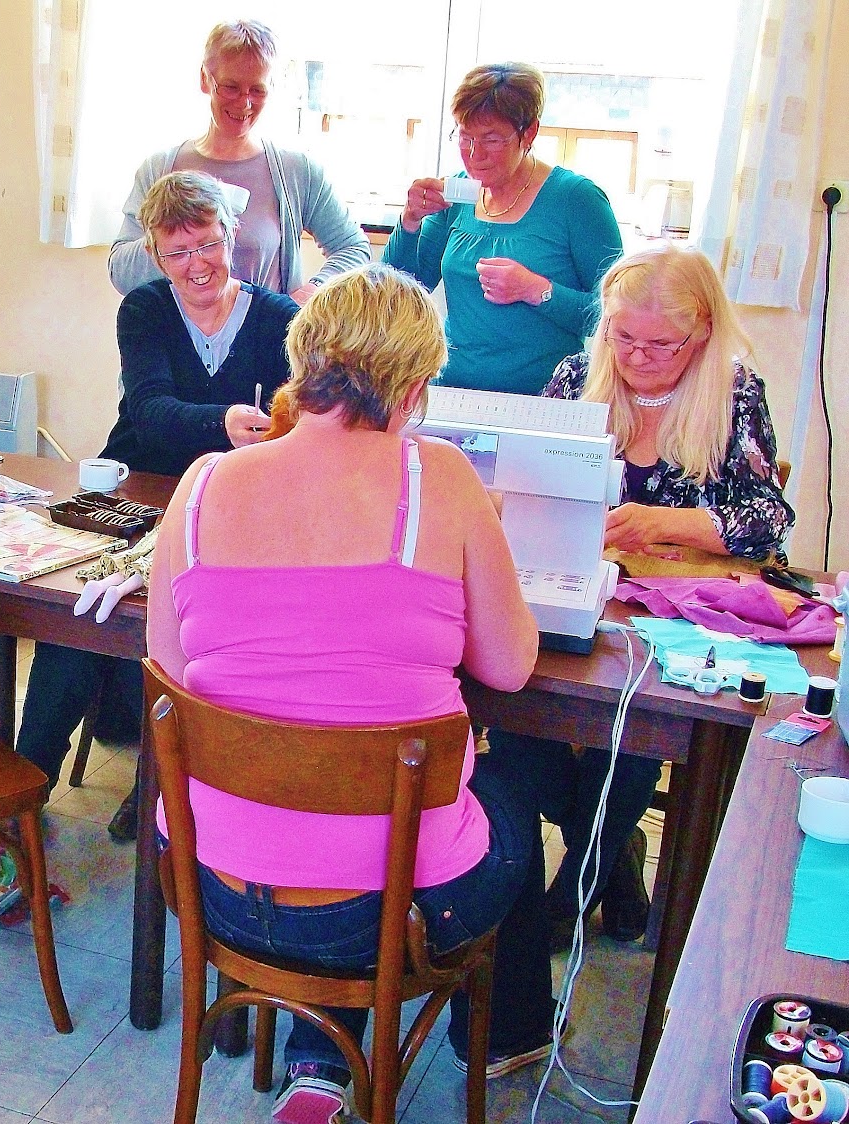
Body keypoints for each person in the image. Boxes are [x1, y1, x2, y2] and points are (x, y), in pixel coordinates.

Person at [147, 263, 548, 1123]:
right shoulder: (441, 479)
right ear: (414, 386)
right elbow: (511, 666)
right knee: (511, 793)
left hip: (213, 884)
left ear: (302, 362)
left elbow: (170, 667)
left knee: (343, 806)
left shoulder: (203, 484)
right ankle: (511, 1038)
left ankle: (318, 1071)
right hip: (380, 915)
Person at [493, 241, 795, 947]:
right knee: (515, 727)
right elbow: (525, 486)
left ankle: (578, 887)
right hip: (580, 596)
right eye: (623, 336)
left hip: (676, 617)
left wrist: (666, 523)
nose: (636, 356)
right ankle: (616, 857)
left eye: (661, 344)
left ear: (703, 332)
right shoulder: (577, 378)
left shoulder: (734, 393)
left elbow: (769, 518)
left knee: (629, 743)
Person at [17, 171, 298, 835]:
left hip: (230, 508)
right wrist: (221, 424)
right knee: (74, 614)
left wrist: (233, 434)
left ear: (231, 235)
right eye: (177, 252)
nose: (197, 265)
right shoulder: (143, 310)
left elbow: (292, 428)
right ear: (154, 254)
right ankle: (25, 790)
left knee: (205, 626)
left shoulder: (281, 319)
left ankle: (157, 783)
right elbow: (148, 415)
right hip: (137, 497)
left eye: (208, 244)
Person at [384, 62, 622, 396]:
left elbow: (617, 315)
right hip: (450, 387)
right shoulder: (458, 193)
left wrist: (538, 290)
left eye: (492, 139)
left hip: (545, 395)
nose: (475, 154)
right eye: (465, 137)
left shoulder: (576, 199)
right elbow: (396, 290)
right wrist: (410, 220)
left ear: (529, 133)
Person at [108, 20, 369, 305]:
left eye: (257, 90)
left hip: (268, 334)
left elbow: (353, 248)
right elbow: (121, 273)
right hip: (175, 334)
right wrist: (174, 237)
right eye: (230, 87)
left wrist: (307, 297)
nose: (244, 103)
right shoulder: (159, 170)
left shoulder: (297, 172)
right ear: (205, 79)